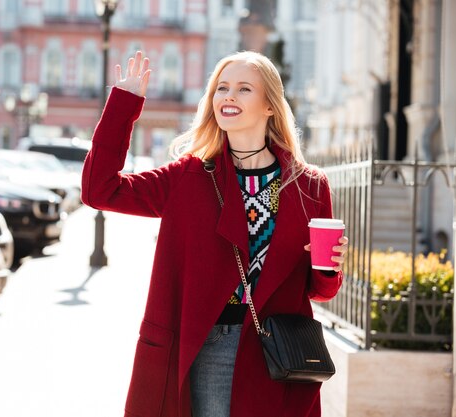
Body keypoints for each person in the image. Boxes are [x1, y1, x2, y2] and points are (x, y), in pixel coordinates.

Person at [81, 50, 349, 417]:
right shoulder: (188, 177)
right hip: (209, 347)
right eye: (221, 88)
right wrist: (123, 106)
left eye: (243, 89)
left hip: (279, 356)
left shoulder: (308, 186)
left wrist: (330, 266)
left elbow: (321, 290)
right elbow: (100, 190)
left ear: (270, 105)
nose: (228, 96)